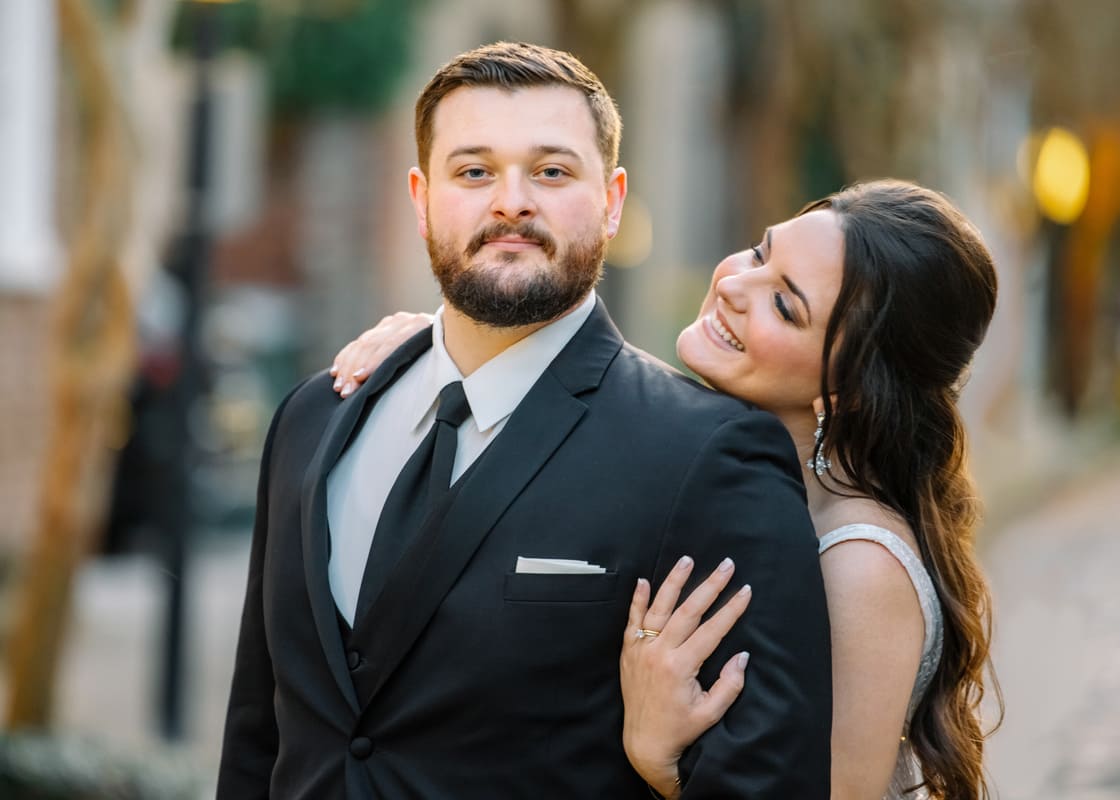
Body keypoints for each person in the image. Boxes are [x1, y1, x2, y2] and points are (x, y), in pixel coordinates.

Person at [218, 41, 832, 799]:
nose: (511, 201)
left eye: (551, 171)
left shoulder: (707, 454)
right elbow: (258, 734)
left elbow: (772, 780)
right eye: (474, 171)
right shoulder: (313, 420)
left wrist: (664, 767)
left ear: (611, 201)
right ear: (420, 198)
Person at [331, 180, 1001, 799]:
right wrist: (447, 347)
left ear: (848, 387)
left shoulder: (860, 564)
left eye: (783, 303)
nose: (738, 283)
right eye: (761, 252)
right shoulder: (701, 463)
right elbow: (587, 391)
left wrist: (660, 759)